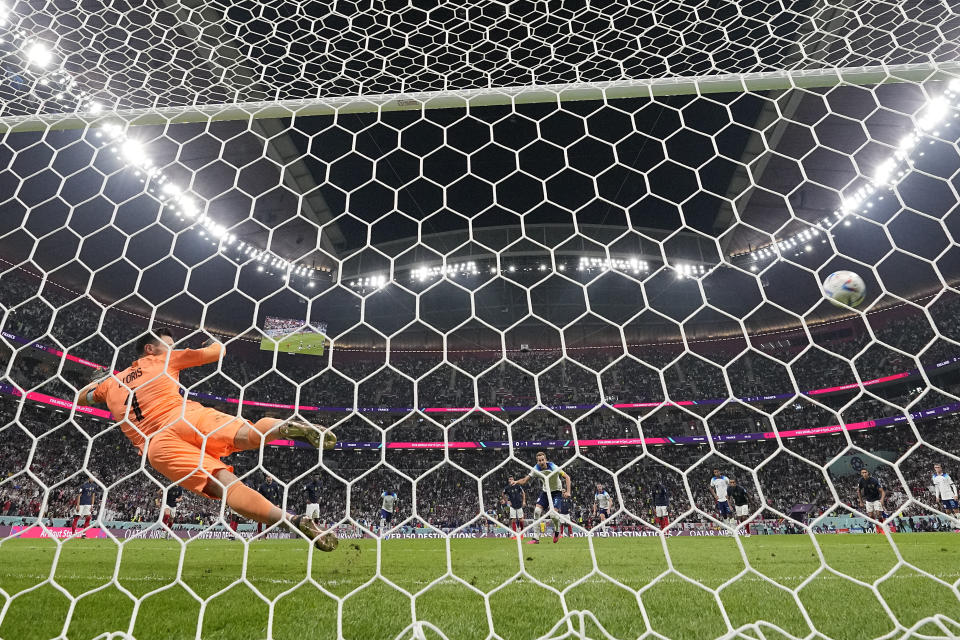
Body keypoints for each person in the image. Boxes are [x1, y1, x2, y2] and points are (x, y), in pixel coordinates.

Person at [77, 329, 337, 551]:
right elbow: (216, 353)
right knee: (251, 436)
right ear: (150, 348)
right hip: (186, 417)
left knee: (228, 488)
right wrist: (213, 342)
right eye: (168, 345)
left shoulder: (110, 385)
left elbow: (81, 398)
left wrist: (99, 383)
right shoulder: (162, 359)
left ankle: (293, 521)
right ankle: (283, 427)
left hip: (158, 446)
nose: (172, 348)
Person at [509, 451, 571, 544]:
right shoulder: (536, 469)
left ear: (546, 460)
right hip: (545, 492)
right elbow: (525, 480)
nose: (541, 462)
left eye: (542, 460)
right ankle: (536, 538)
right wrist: (516, 481)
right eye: (539, 460)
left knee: (553, 515)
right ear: (537, 461)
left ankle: (557, 531)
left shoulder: (553, 467)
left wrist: (568, 491)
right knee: (537, 512)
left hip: (557, 492)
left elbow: (567, 477)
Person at [857, 468, 886, 534]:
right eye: (863, 473)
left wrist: (882, 499)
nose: (864, 474)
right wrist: (861, 502)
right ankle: (877, 528)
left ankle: (882, 528)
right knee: (871, 516)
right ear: (861, 474)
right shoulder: (861, 481)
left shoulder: (874, 480)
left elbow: (882, 491)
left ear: (868, 473)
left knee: (878, 514)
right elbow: (858, 491)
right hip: (868, 500)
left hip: (876, 499)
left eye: (865, 472)